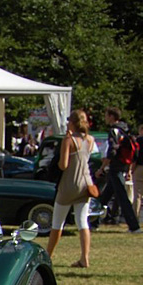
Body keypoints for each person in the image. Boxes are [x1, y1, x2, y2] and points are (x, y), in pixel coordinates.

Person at [46, 110, 95, 268]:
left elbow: (63, 165)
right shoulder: (90, 140)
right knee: (82, 221)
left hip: (69, 184)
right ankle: (84, 257)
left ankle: (48, 255)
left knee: (57, 222)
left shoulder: (69, 140)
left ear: (72, 123)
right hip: (86, 183)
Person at [95, 107, 142, 233]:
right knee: (105, 196)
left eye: (106, 115)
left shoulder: (114, 131)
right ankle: (94, 221)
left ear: (111, 116)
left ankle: (134, 226)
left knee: (122, 197)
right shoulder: (124, 129)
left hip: (115, 167)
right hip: (122, 165)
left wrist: (102, 167)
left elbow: (112, 151)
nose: (105, 118)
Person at [132, 124, 143, 221]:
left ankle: (135, 217)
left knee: (138, 195)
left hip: (140, 167)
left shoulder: (138, 141)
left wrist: (131, 169)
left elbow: (135, 156)